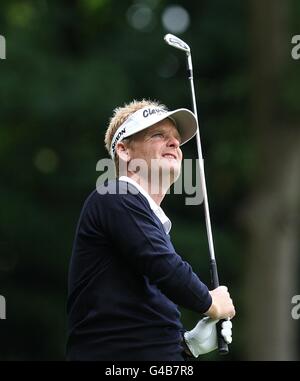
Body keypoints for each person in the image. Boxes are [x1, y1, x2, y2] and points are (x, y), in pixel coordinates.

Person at [66, 99, 235, 361]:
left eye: (176, 138)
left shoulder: (149, 222)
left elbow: (145, 323)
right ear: (123, 150)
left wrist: (189, 346)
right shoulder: (114, 194)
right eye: (158, 135)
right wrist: (210, 302)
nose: (175, 144)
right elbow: (163, 265)